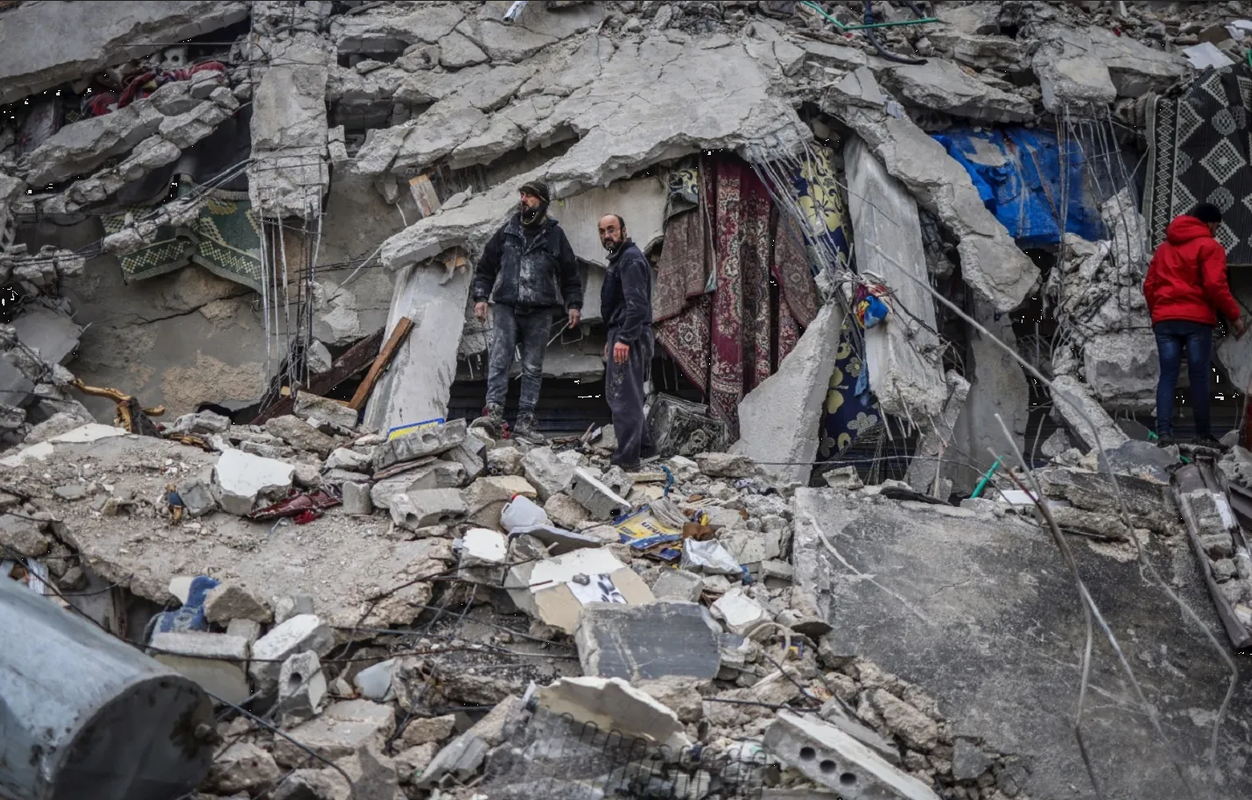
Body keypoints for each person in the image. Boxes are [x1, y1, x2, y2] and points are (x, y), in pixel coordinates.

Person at [471, 180, 583, 443]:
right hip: (507, 307)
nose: (524, 200)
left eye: (530, 196)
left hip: (541, 311)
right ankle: (494, 416)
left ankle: (525, 420)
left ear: (542, 202)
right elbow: (485, 268)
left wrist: (574, 304)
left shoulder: (555, 235)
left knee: (533, 367)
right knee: (500, 359)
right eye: (522, 195)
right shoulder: (507, 232)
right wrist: (480, 298)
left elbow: (570, 274)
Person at [1143, 202, 1245, 448]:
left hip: (1165, 321)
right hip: (1196, 321)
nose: (1216, 232)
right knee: (1198, 376)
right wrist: (1234, 316)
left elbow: (1149, 286)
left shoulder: (1163, 249)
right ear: (1209, 223)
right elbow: (1214, 285)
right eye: (1217, 227)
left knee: (1168, 376)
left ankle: (1165, 435)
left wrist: (1157, 313)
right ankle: (1202, 434)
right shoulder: (1210, 247)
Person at [598, 213, 656, 469]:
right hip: (623, 332)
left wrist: (624, 338)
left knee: (623, 398)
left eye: (611, 229)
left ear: (623, 230)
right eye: (602, 231)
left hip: (630, 334)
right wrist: (613, 336)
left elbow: (637, 305)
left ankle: (628, 460)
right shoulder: (620, 259)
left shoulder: (630, 259)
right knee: (629, 395)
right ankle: (645, 449)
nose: (607, 235)